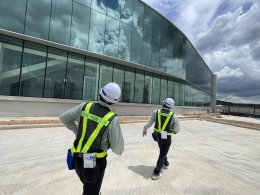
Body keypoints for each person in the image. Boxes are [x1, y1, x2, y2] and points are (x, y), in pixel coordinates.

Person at [60, 82, 124, 195]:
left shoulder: (85, 106)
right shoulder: (111, 118)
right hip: (94, 163)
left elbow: (64, 118)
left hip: (77, 160)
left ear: (100, 92)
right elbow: (119, 149)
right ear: (115, 101)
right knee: (91, 190)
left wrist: (77, 132)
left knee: (88, 186)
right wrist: (108, 144)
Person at [143, 98, 180, 180]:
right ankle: (156, 172)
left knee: (163, 151)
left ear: (163, 104)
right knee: (163, 153)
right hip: (166, 137)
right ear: (171, 107)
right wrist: (173, 131)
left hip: (157, 136)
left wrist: (145, 129)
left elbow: (150, 122)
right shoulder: (172, 115)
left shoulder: (157, 112)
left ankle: (165, 163)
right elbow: (177, 129)